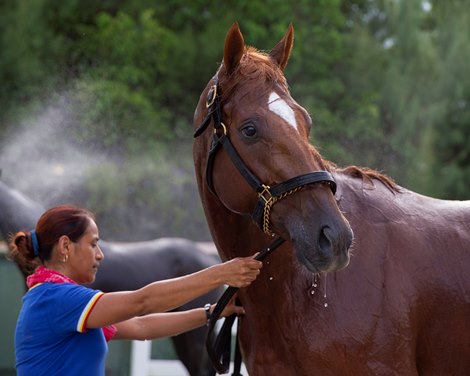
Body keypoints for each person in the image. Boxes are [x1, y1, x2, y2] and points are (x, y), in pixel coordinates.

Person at [8, 204, 262, 376]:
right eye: (93, 244)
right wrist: (221, 273)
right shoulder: (57, 299)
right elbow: (142, 302)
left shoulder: (55, 298)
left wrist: (211, 312)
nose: (100, 255)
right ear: (65, 246)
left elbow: (142, 326)